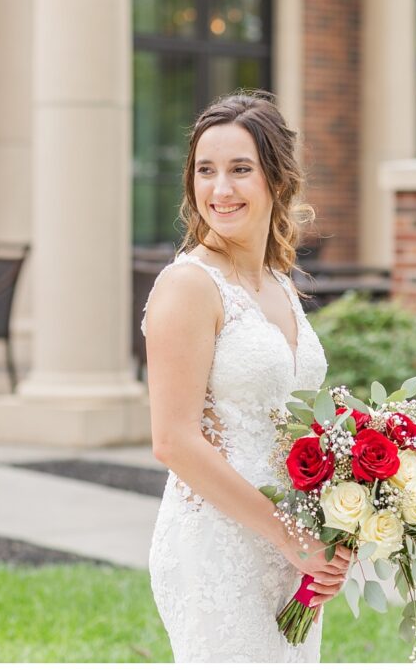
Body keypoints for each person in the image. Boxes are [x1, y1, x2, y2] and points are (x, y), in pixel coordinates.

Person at [141, 91, 353, 662]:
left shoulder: (278, 283)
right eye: (205, 171)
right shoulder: (188, 286)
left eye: (240, 169)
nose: (220, 189)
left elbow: (295, 418)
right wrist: (289, 534)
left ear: (277, 180)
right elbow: (174, 440)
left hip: (291, 548)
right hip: (219, 545)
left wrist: (349, 513)